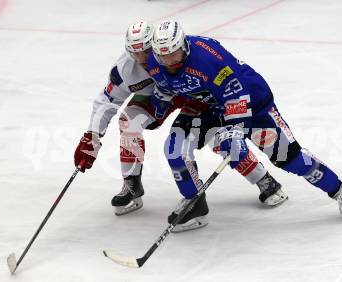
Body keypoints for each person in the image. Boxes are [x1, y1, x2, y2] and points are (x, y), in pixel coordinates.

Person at [148, 21, 342, 230]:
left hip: (252, 103)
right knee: (175, 149)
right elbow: (167, 86)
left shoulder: (208, 58)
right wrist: (158, 109)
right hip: (207, 108)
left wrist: (235, 130)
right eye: (162, 56)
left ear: (184, 46)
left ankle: (338, 189)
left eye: (173, 54)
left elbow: (236, 91)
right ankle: (194, 205)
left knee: (289, 158)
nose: (168, 61)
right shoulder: (153, 62)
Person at [73, 21, 288, 220]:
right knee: (128, 122)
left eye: (147, 50)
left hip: (192, 95)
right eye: (136, 53)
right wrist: (92, 136)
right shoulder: (124, 70)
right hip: (159, 97)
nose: (144, 58)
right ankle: (131, 185)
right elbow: (106, 101)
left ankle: (263, 179)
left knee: (214, 135)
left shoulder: (176, 57)